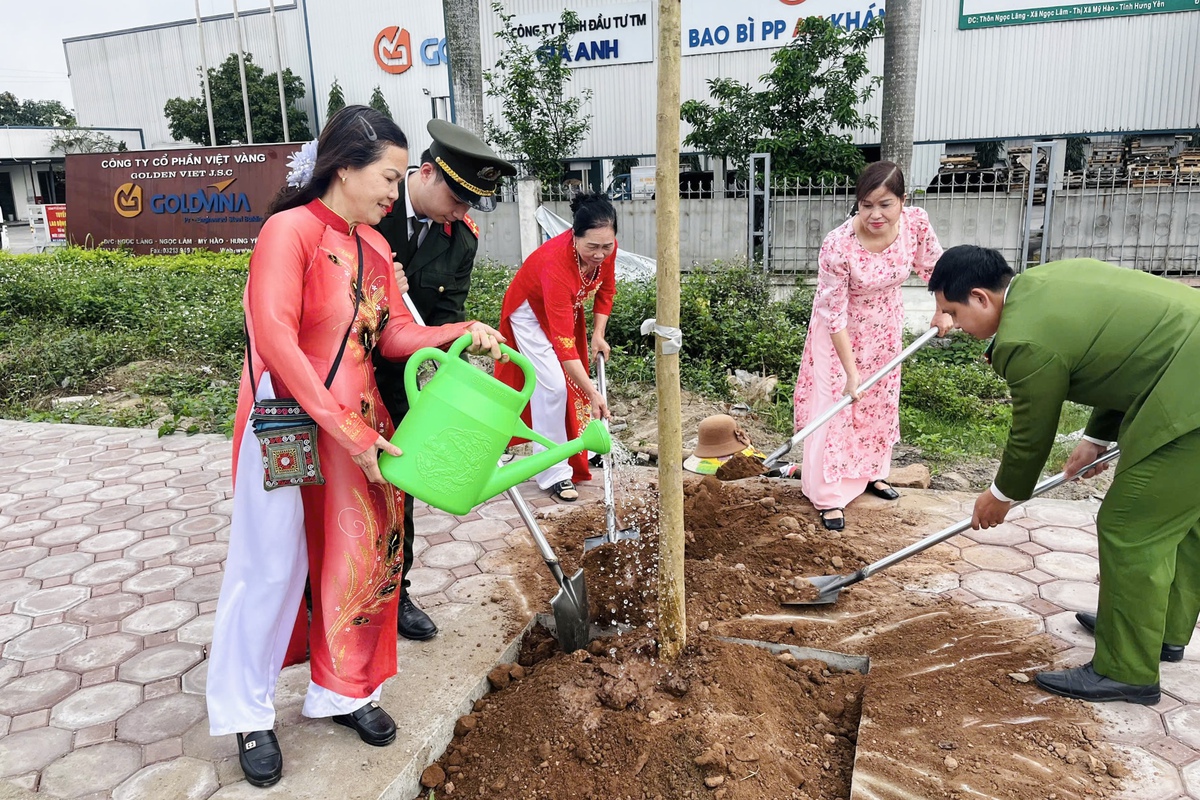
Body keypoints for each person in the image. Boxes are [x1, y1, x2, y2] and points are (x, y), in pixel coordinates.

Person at [205, 106, 506, 788]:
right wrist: (347, 429)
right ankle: (249, 710)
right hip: (286, 423)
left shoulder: (372, 248)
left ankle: (343, 692)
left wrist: (460, 330)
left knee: (362, 559)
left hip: (361, 429)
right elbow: (276, 339)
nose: (393, 195)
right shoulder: (290, 232)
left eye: (401, 182)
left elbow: (393, 333)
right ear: (344, 166)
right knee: (273, 566)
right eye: (388, 178)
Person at [928, 245, 1200, 706]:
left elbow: (1032, 433)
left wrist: (1001, 495)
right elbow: (1129, 355)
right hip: (1182, 367)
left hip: (1189, 397)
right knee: (1180, 520)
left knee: (1132, 527)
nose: (950, 325)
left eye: (951, 311)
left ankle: (1126, 671)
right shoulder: (1044, 284)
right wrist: (1097, 437)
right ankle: (1159, 631)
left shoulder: (1023, 340)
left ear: (980, 298)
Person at [372, 119, 515, 642]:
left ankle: (396, 591)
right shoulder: (371, 212)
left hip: (402, 380)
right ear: (426, 173)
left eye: (472, 203)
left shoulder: (460, 241)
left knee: (398, 490)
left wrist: (448, 367)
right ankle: (322, 599)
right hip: (346, 377)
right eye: (457, 198)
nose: (463, 211)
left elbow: (446, 315)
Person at [791, 161, 951, 531]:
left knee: (878, 404)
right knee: (840, 406)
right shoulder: (838, 245)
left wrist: (942, 310)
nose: (875, 215)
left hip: (885, 328)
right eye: (866, 205)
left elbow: (938, 271)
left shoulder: (916, 224)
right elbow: (833, 315)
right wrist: (851, 373)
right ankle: (829, 495)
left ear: (902, 201)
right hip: (839, 335)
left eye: (885, 204)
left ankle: (871, 474)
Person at [494, 191, 617, 501]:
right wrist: (593, 393)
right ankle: (552, 472)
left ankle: (575, 453)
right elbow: (564, 350)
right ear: (573, 237)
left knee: (567, 384)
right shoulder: (556, 265)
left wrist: (598, 334)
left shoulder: (604, 250)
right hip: (529, 314)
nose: (600, 254)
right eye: (592, 247)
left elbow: (606, 292)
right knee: (553, 387)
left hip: (563, 309)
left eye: (607, 245)